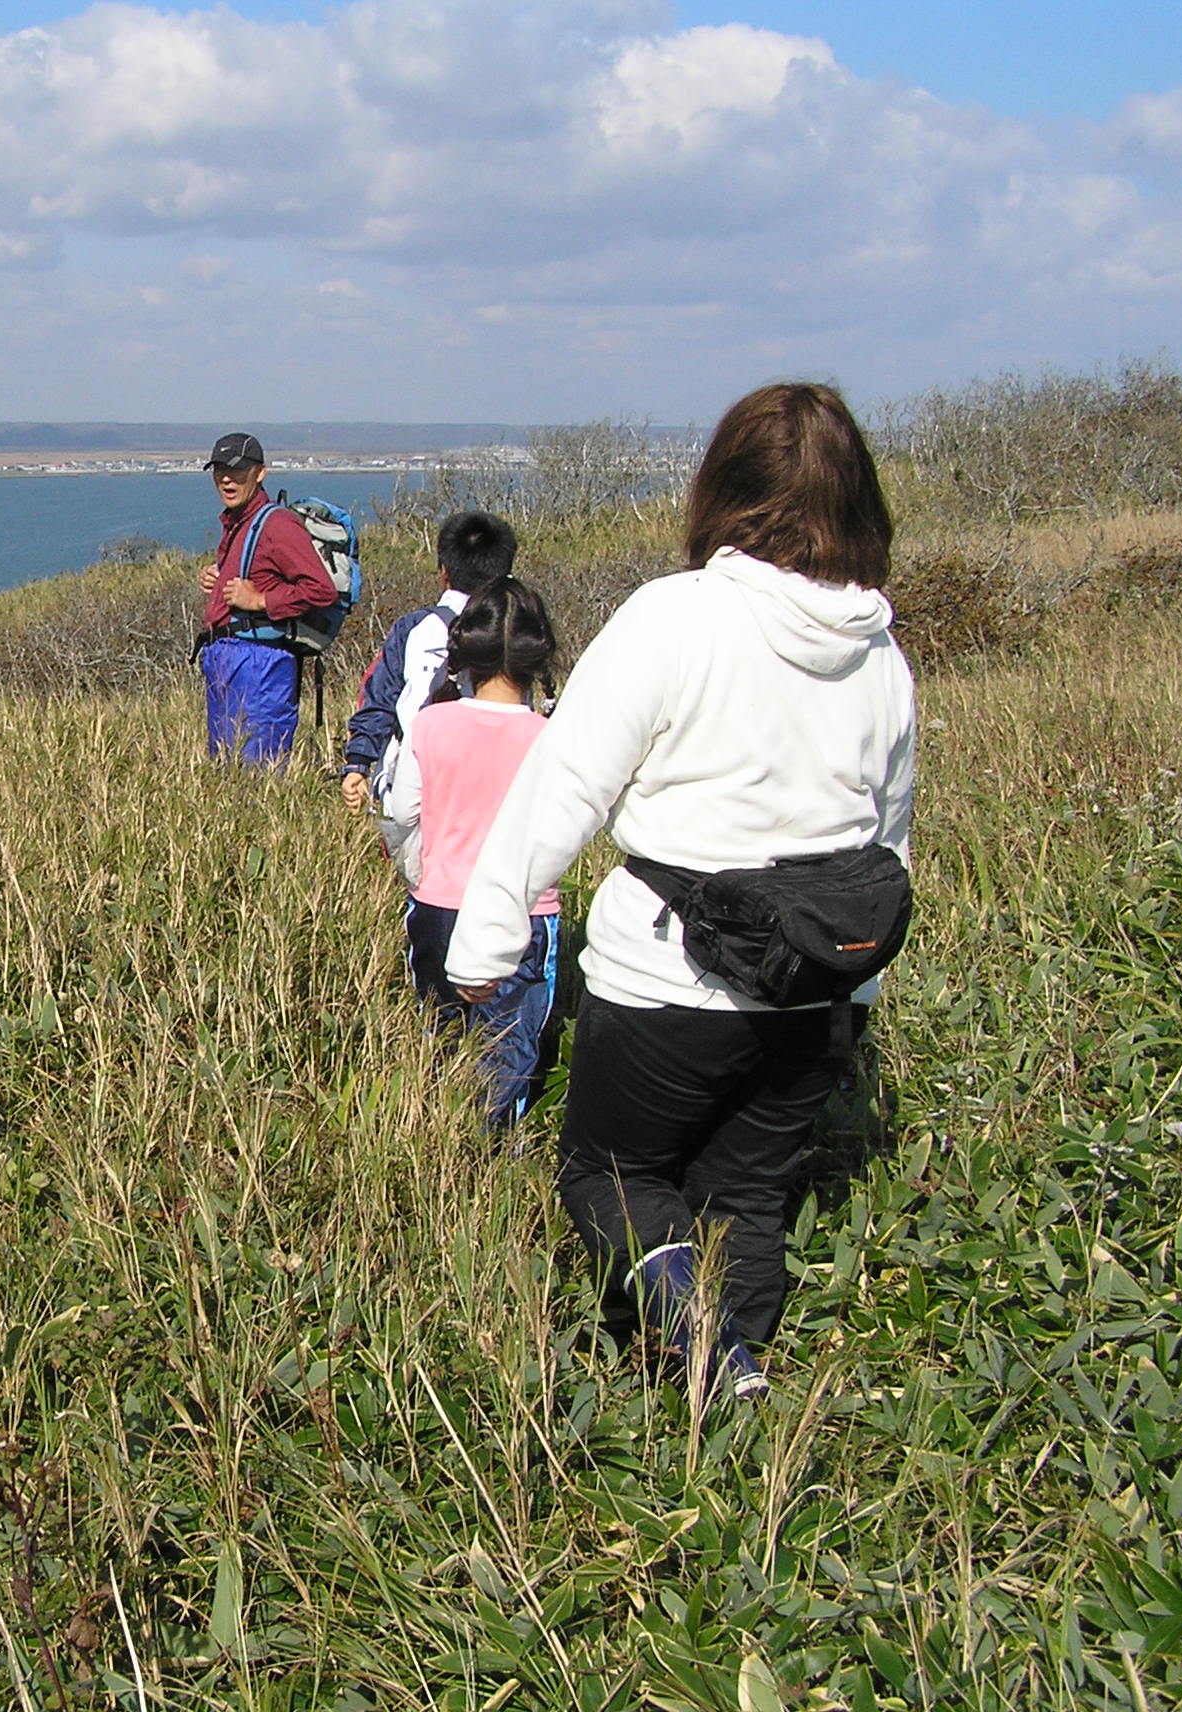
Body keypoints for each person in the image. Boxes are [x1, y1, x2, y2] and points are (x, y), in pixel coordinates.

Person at [445, 382, 916, 1400]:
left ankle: (707, 1350)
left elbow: (561, 785)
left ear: (721, 485)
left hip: (667, 972)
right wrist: (858, 996)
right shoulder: (878, 650)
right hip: (812, 985)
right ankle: (730, 1389)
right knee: (745, 1194)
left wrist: (483, 943)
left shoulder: (675, 616)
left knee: (609, 1176)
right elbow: (887, 842)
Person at [381, 576, 562, 1127]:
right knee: (511, 1050)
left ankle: (441, 1139)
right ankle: (492, 1156)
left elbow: (400, 813)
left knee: (443, 1038)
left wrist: (420, 871)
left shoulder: (430, 724)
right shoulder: (551, 737)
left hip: (436, 907)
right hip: (522, 911)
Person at [341, 510, 520, 869]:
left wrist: (358, 763)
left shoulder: (415, 629)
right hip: (499, 795)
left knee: (421, 891)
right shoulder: (518, 631)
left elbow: (379, 699)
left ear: (444, 570)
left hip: (414, 791)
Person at [196, 432, 337, 764]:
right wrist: (215, 581)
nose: (227, 479)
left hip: (260, 667)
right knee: (227, 773)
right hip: (229, 662)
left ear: (260, 473)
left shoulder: (278, 524)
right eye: (220, 471)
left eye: (238, 470)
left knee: (257, 775)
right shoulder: (237, 523)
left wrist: (261, 601)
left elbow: (321, 590)